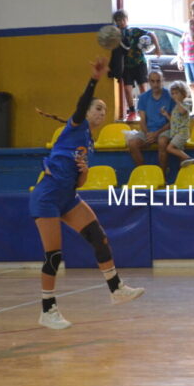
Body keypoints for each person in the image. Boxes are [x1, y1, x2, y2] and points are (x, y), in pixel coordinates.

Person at [32, 56, 144, 329]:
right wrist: (94, 79)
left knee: (99, 238)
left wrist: (83, 170)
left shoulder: (88, 142)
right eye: (98, 108)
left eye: (105, 110)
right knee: (54, 256)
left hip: (67, 196)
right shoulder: (77, 125)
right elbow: (82, 103)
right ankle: (48, 310)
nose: (101, 113)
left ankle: (116, 289)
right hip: (47, 196)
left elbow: (80, 182)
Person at [111, 9, 161, 121]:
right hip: (126, 66)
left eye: (123, 19)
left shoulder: (134, 31)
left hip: (139, 63)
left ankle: (145, 110)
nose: (121, 22)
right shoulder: (117, 34)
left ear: (127, 19)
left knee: (143, 87)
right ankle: (132, 111)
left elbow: (151, 34)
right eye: (118, 20)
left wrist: (157, 48)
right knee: (127, 89)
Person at [127, 70, 174, 174]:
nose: (155, 84)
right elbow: (142, 120)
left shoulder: (170, 96)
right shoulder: (143, 97)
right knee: (132, 144)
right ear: (149, 81)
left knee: (162, 141)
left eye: (158, 81)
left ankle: (162, 176)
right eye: (152, 81)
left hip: (165, 130)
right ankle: (144, 173)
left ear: (163, 81)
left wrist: (156, 134)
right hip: (149, 131)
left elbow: (173, 121)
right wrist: (148, 134)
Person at [160, 80, 194, 170]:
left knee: (169, 148)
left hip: (182, 133)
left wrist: (177, 101)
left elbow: (182, 111)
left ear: (183, 94)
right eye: (173, 94)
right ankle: (184, 166)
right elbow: (173, 121)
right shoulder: (175, 108)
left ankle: (188, 158)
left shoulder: (185, 105)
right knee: (181, 159)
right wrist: (166, 115)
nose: (174, 96)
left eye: (177, 93)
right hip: (176, 133)